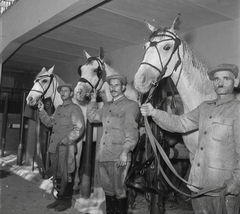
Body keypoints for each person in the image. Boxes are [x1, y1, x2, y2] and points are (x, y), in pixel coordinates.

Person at [140, 63, 240, 214]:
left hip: (222, 188)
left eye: (226, 78)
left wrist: (235, 182)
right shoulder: (205, 107)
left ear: (236, 82)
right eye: (216, 79)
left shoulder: (238, 110)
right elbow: (181, 123)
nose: (220, 82)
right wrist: (155, 113)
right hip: (197, 186)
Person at [87, 74, 139, 214]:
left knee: (119, 190)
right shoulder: (107, 106)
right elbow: (92, 117)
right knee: (108, 190)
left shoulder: (130, 105)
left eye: (116, 85)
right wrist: (92, 100)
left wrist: (125, 152)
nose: (113, 88)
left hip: (118, 156)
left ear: (123, 87)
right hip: (103, 155)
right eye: (111, 85)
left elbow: (132, 131)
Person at [38, 83, 85, 212]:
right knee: (58, 175)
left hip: (66, 148)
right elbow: (50, 122)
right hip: (55, 148)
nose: (63, 93)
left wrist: (65, 140)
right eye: (61, 91)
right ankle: (59, 198)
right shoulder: (59, 108)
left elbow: (79, 128)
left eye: (66, 90)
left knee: (67, 175)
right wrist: (42, 111)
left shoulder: (75, 108)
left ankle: (67, 201)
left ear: (71, 93)